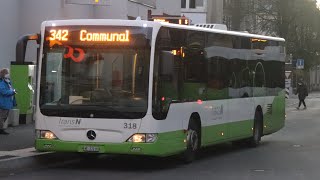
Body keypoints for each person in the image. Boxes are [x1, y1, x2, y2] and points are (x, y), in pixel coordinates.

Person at [0, 68, 17, 135]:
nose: (8, 74)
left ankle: (1, 129)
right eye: (7, 73)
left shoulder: (7, 81)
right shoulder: (2, 82)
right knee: (2, 117)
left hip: (7, 103)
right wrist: (12, 92)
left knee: (4, 117)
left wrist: (13, 91)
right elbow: (3, 92)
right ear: (3, 74)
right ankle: (1, 130)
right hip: (3, 103)